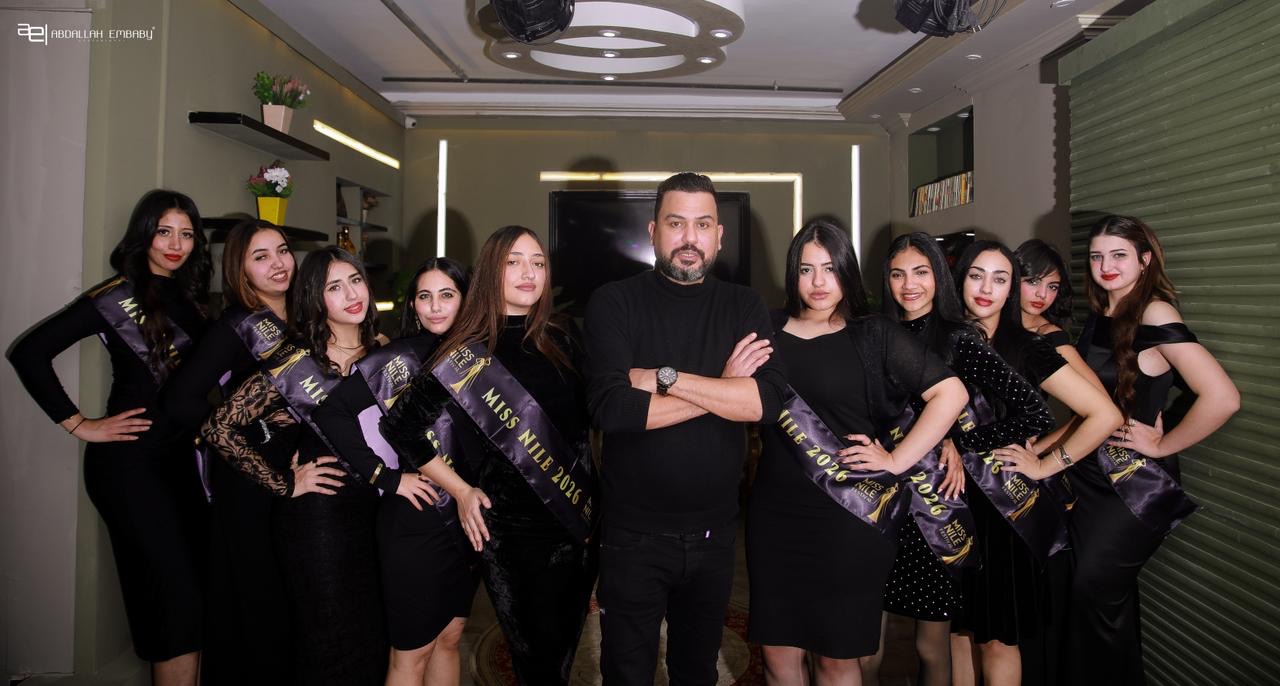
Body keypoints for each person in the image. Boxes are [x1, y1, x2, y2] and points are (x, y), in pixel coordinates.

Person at [583, 172, 787, 685]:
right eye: (676, 224)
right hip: (631, 535)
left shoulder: (744, 305)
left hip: (715, 534)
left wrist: (664, 379)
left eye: (703, 225)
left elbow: (764, 403)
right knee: (626, 674)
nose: (690, 238)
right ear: (654, 231)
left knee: (697, 673)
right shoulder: (614, 301)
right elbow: (613, 408)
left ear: (720, 236)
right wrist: (723, 388)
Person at [748, 222, 969, 686]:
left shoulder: (873, 334)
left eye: (830, 268)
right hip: (775, 514)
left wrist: (896, 460)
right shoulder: (764, 328)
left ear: (847, 271)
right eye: (806, 269)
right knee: (777, 656)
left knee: (836, 659)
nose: (818, 281)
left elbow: (951, 394)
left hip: (849, 517)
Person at [9, 189, 211, 685]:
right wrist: (81, 424)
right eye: (164, 232)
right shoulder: (115, 296)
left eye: (186, 234)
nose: (176, 244)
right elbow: (29, 353)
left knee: (193, 596)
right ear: (143, 234)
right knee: (173, 601)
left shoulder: (190, 299)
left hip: (181, 462)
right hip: (130, 466)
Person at [381, 227, 597, 685]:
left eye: (537, 262)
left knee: (563, 654)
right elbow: (400, 427)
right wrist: (461, 491)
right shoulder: (465, 350)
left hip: (576, 522)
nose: (528, 272)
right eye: (513, 262)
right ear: (490, 272)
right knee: (536, 663)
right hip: (514, 537)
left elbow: (592, 417)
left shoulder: (563, 335)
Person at [863, 232, 1055, 686]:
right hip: (879, 499)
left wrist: (960, 443)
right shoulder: (873, 332)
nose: (909, 284)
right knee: (866, 643)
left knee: (932, 646)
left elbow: (1034, 413)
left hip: (934, 508)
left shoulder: (959, 339)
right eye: (897, 274)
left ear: (940, 276)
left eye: (921, 272)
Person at [201, 247, 387, 685]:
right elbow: (219, 426)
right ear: (314, 299)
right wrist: (284, 484)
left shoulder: (384, 350)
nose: (351, 295)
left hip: (377, 510)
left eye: (355, 281)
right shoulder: (297, 360)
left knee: (372, 638)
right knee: (329, 644)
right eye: (334, 287)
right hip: (319, 519)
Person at [1064, 215, 1238, 684]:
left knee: (1092, 589)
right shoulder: (1101, 314)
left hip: (1132, 486)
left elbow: (1222, 397)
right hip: (1087, 477)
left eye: (1119, 255)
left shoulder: (1155, 313)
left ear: (1145, 260)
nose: (1106, 265)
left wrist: (1162, 442)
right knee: (1099, 601)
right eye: (1097, 256)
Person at [949, 241, 1123, 686]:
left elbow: (1103, 414)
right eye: (976, 276)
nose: (986, 289)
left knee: (997, 640)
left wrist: (1046, 464)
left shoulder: (1029, 347)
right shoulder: (943, 339)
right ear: (960, 279)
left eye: (1000, 279)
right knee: (959, 632)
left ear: (1011, 289)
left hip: (1003, 505)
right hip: (948, 499)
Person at [312, 257, 476, 686]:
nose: (435, 307)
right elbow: (332, 414)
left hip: (465, 523)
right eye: (424, 296)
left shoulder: (481, 356)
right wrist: (385, 477)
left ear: (467, 299)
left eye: (447, 295)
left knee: (450, 637)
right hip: (415, 521)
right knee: (412, 654)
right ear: (413, 305)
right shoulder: (398, 357)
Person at [159, 219, 295, 684]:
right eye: (261, 257)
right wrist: (254, 428)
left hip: (291, 473)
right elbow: (180, 400)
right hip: (247, 479)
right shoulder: (237, 325)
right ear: (240, 269)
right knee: (252, 600)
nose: (278, 264)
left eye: (282, 251)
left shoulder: (303, 314)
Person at [1014, 239, 1104, 390]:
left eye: (1052, 287)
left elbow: (1100, 397)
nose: (1042, 294)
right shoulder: (988, 324)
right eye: (1033, 281)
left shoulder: (1050, 336)